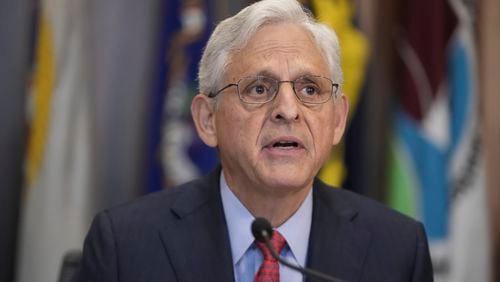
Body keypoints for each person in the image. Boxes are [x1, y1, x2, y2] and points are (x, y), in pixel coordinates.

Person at [76, 0, 433, 281]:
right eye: (259, 89)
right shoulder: (125, 247)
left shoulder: (397, 251)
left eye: (310, 89)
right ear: (207, 120)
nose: (288, 110)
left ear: (338, 120)